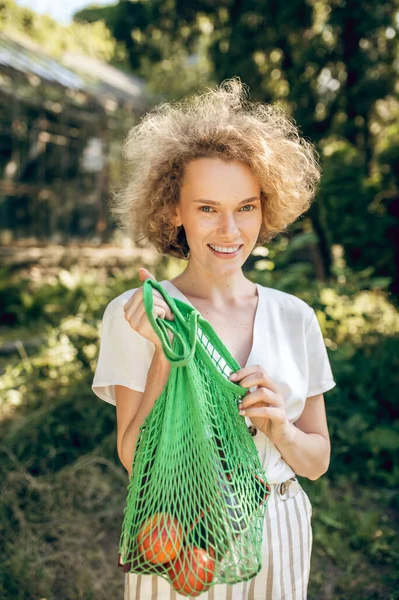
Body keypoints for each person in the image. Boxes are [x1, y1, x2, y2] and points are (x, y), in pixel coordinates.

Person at [92, 78, 337, 600]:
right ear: (172, 211)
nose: (229, 230)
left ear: (266, 207)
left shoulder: (296, 318)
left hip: (281, 527)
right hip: (180, 534)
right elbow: (135, 458)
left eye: (245, 207)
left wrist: (281, 428)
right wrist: (165, 356)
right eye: (207, 208)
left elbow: (317, 462)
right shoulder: (137, 313)